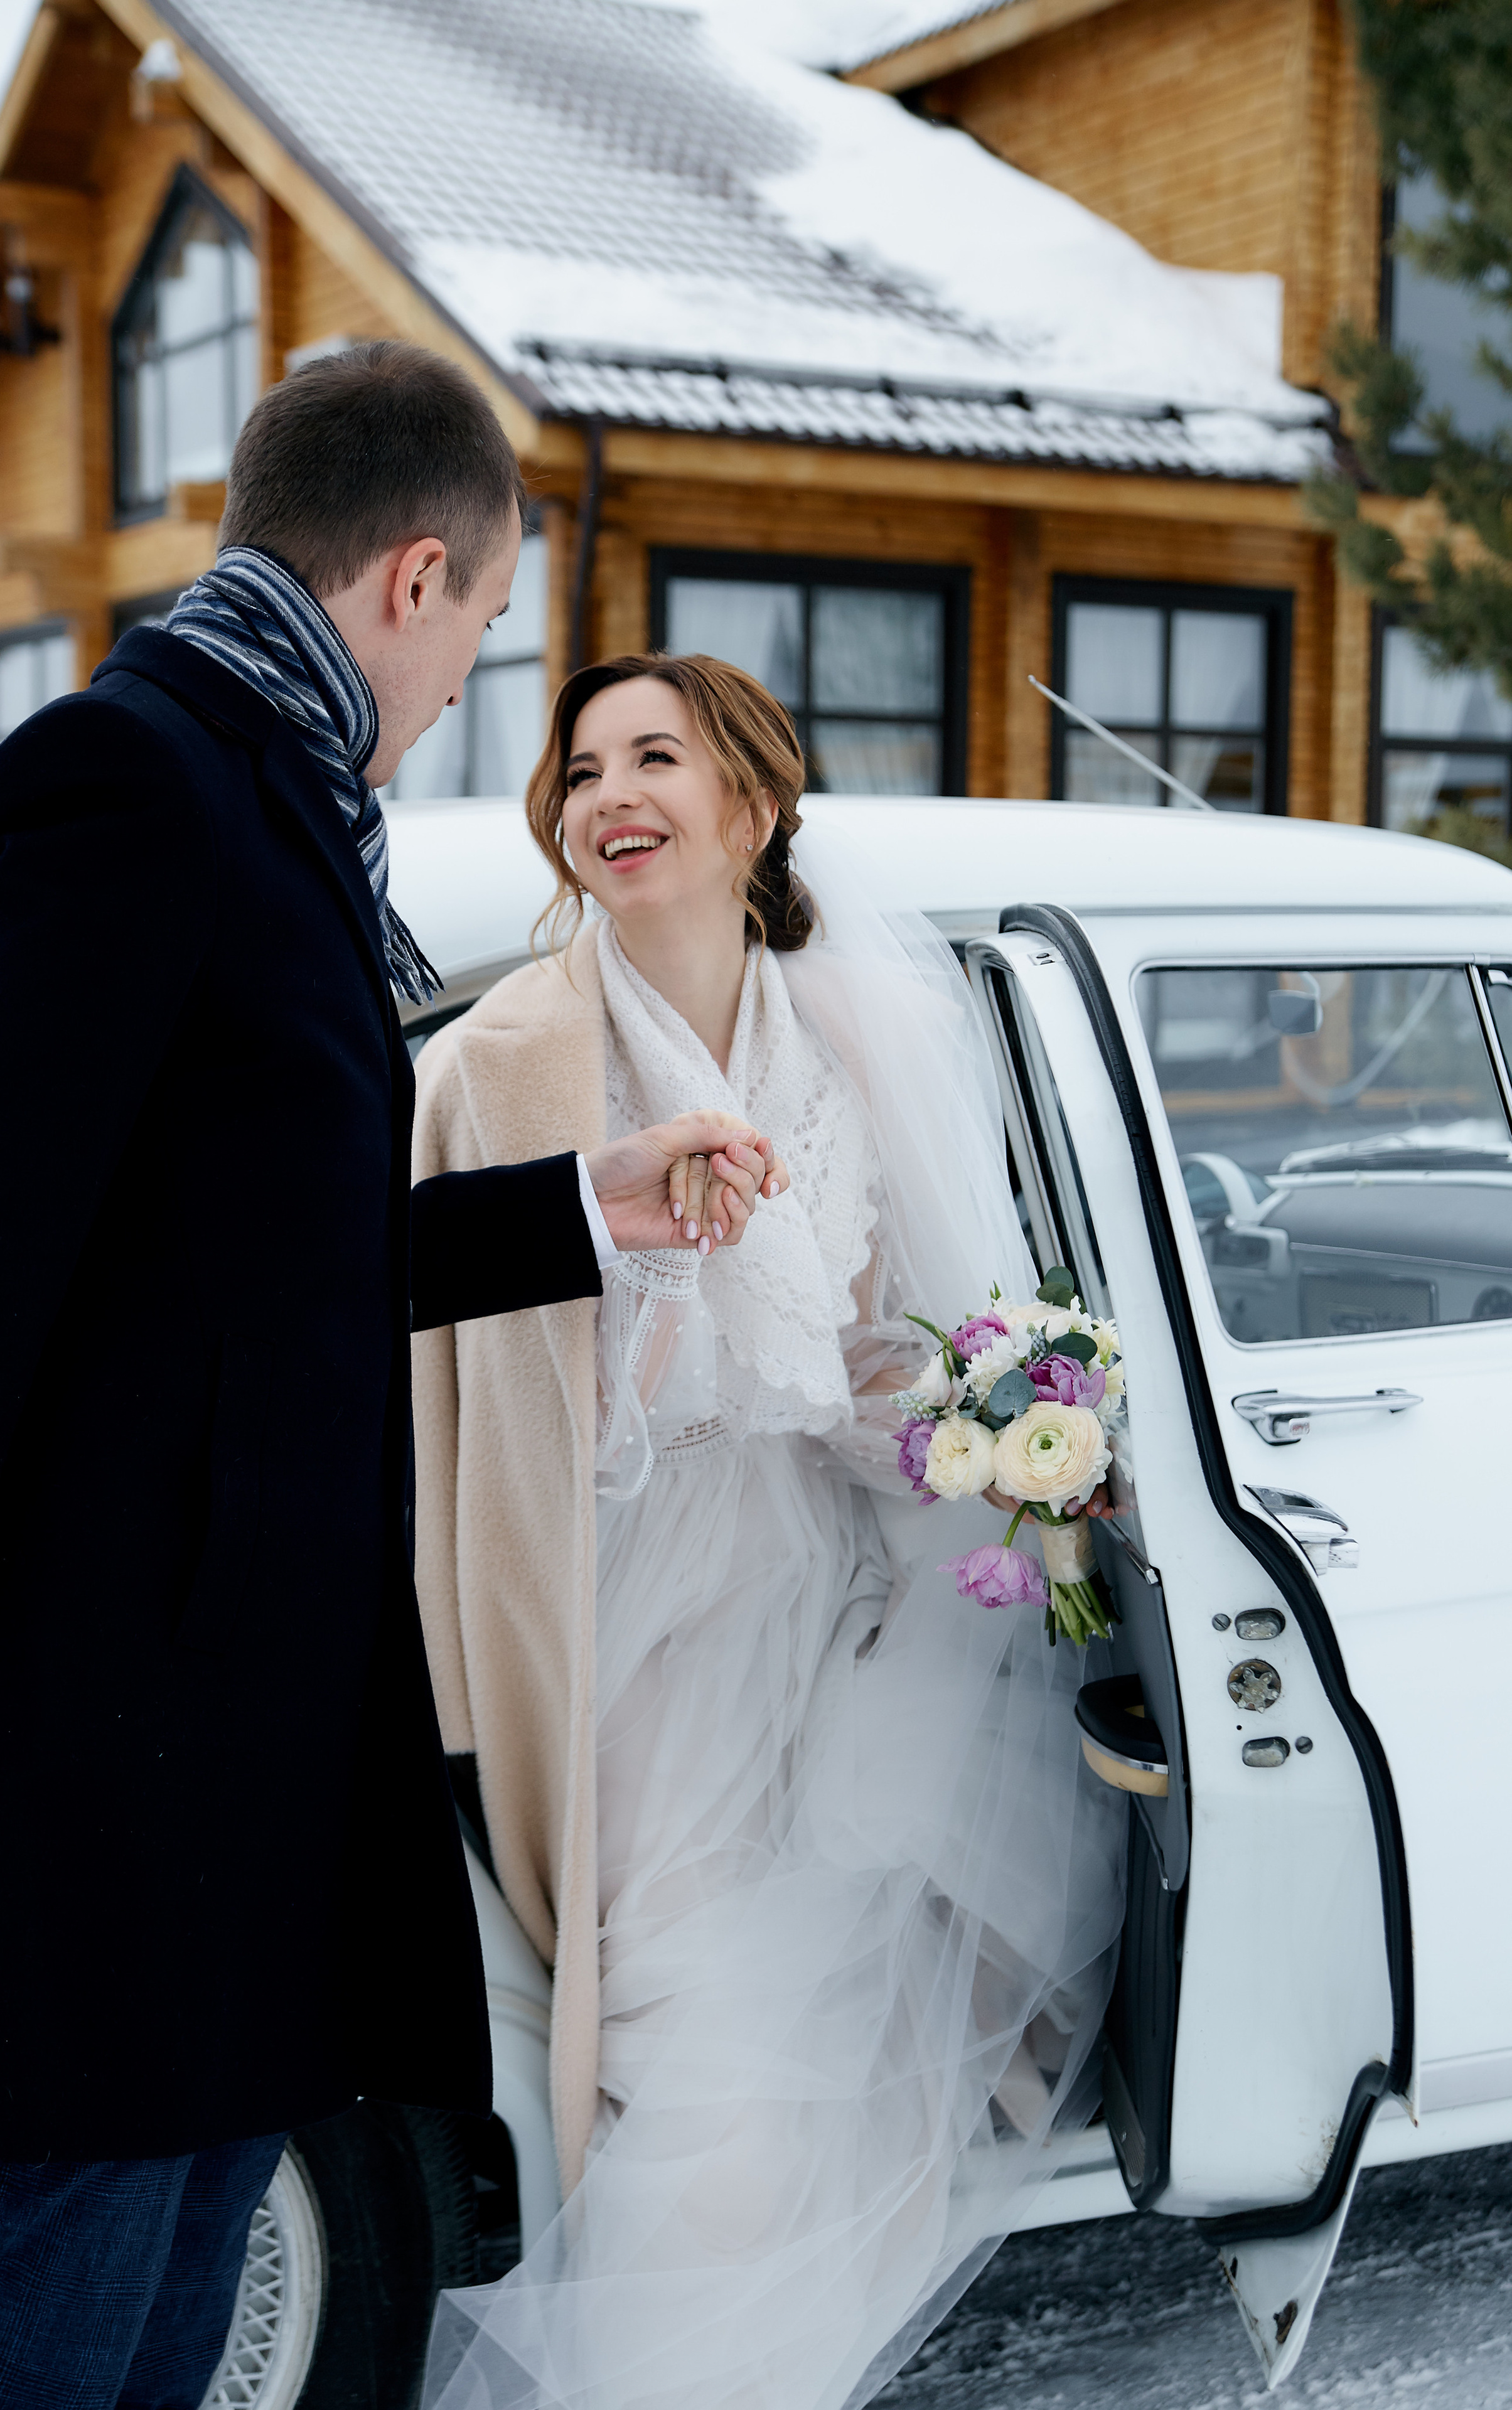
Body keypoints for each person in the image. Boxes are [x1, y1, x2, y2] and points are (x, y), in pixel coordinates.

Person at [0, 345, 786, 2408]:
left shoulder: (273, 799)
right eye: (485, 627)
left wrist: (578, 1208)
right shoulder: (132, 784)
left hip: (228, 1824)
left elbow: (246, 1266)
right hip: (82, 1827)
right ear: (414, 577)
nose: (470, 679)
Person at [411, 654, 1127, 2410]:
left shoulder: (850, 1035)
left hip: (826, 1595)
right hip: (620, 1610)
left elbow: (862, 1356)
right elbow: (491, 1407)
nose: (609, 797)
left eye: (653, 756)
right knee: (703, 2062)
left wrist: (985, 1438)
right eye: (582, 770)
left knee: (835, 2047)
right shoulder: (504, 1063)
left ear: (752, 802)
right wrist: (658, 1263)